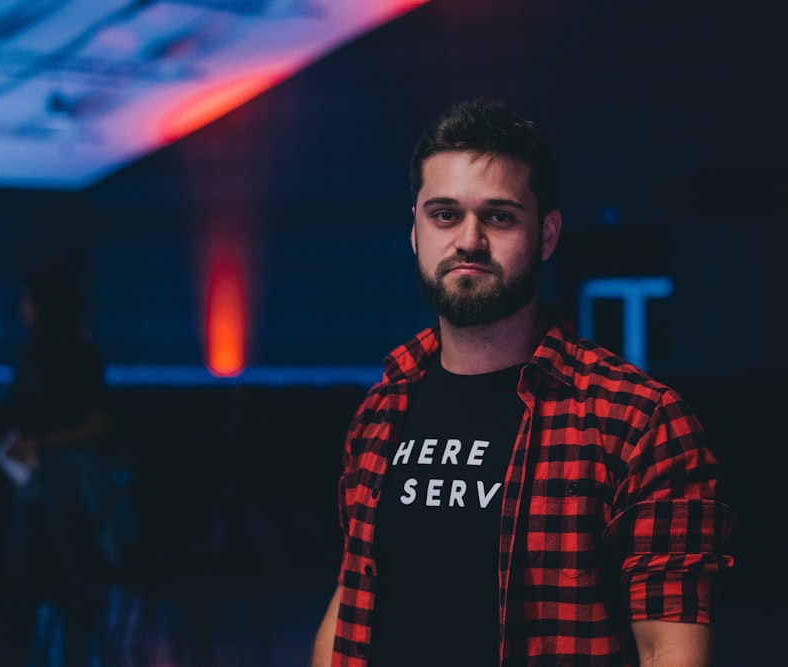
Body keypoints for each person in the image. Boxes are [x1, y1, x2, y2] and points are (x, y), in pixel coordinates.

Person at [312, 99, 733, 667]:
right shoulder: (382, 408)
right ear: (415, 231)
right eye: (444, 215)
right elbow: (352, 603)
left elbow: (670, 652)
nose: (468, 240)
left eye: (499, 216)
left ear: (548, 235)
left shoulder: (639, 422)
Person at [0, 266, 111, 667]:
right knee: (18, 582)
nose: (21, 308)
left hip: (63, 479)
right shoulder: (31, 354)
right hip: (28, 478)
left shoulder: (78, 353)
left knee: (69, 578)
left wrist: (43, 443)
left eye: (27, 299)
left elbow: (99, 422)